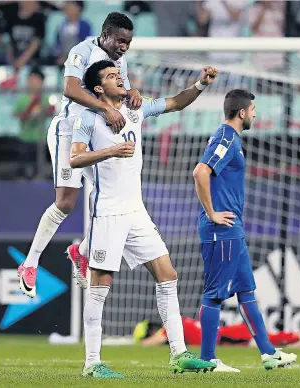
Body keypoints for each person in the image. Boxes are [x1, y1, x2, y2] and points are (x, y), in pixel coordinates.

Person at [69, 60, 218, 378]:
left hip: (137, 211)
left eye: (118, 73)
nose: (118, 77)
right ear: (98, 88)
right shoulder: (88, 118)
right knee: (101, 285)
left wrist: (201, 83)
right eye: (111, 76)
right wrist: (110, 151)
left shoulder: (137, 107)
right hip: (107, 211)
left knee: (168, 274)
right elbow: (75, 157)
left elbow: (177, 102)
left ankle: (179, 354)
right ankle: (92, 362)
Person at [18, 12, 142, 298]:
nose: (124, 47)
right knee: (65, 203)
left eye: (128, 42)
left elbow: (120, 91)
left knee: (113, 194)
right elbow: (70, 88)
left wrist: (132, 92)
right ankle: (30, 263)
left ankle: (81, 251)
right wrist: (104, 108)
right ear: (106, 34)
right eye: (120, 41)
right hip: (69, 131)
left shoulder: (119, 60)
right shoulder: (82, 51)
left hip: (95, 133)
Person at [192, 89, 297, 371]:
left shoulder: (232, 138)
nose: (254, 114)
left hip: (232, 228)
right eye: (252, 109)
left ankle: (269, 354)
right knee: (215, 294)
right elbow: (200, 171)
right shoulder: (226, 137)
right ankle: (207, 359)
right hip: (221, 228)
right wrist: (212, 213)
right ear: (241, 112)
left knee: (246, 290)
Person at [134, 317, 300, 349]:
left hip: (229, 335)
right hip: (230, 335)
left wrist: (141, 345)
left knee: (279, 339)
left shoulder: (171, 325)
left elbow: (156, 340)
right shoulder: (181, 321)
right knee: (286, 341)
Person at [13, 67, 55, 179]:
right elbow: (18, 115)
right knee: (23, 168)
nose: (32, 83)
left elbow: (50, 112)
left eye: (36, 81)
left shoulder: (45, 98)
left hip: (40, 139)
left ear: (41, 83)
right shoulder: (23, 98)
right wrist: (30, 110)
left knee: (40, 166)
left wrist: (45, 111)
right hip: (25, 139)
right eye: (30, 80)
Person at [3, 1, 45, 89]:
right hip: (13, 61)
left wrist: (22, 61)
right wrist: (11, 59)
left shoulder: (39, 19)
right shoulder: (12, 17)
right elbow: (9, 41)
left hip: (32, 63)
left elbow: (36, 43)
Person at [54, 1, 92, 67]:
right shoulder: (61, 25)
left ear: (79, 8)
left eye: (71, 7)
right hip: (62, 59)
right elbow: (57, 44)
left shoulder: (85, 25)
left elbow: (86, 46)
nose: (68, 9)